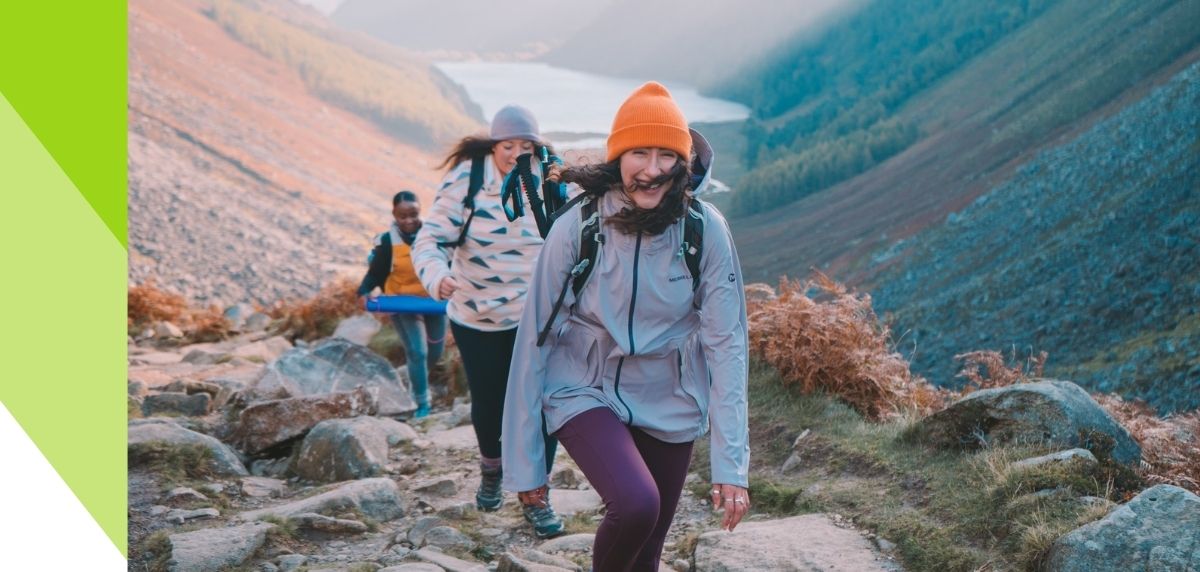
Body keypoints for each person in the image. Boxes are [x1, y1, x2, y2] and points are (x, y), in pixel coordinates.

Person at [501, 82, 751, 571]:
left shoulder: (705, 230)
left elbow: (727, 346)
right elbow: (534, 340)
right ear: (618, 156)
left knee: (647, 554)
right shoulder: (579, 225)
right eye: (639, 152)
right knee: (637, 504)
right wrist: (526, 461)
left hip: (671, 396)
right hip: (583, 385)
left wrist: (731, 467)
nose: (652, 169)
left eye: (666, 155)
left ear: (683, 162)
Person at [411, 105, 564, 537]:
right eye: (507, 145)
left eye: (526, 146)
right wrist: (436, 276)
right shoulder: (468, 180)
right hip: (477, 313)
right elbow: (431, 238)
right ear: (493, 144)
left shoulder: (549, 176)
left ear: (537, 146)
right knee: (491, 400)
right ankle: (492, 469)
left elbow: (571, 233)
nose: (516, 153)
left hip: (537, 316)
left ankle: (536, 493)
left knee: (539, 402)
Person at [357, 191, 447, 419]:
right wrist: (363, 291)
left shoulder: (433, 235)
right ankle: (421, 403)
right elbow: (376, 272)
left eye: (413, 214)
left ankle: (415, 384)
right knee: (417, 351)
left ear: (420, 212)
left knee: (436, 350)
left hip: (432, 300)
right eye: (402, 215)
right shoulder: (388, 242)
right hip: (401, 301)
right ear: (394, 215)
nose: (408, 220)